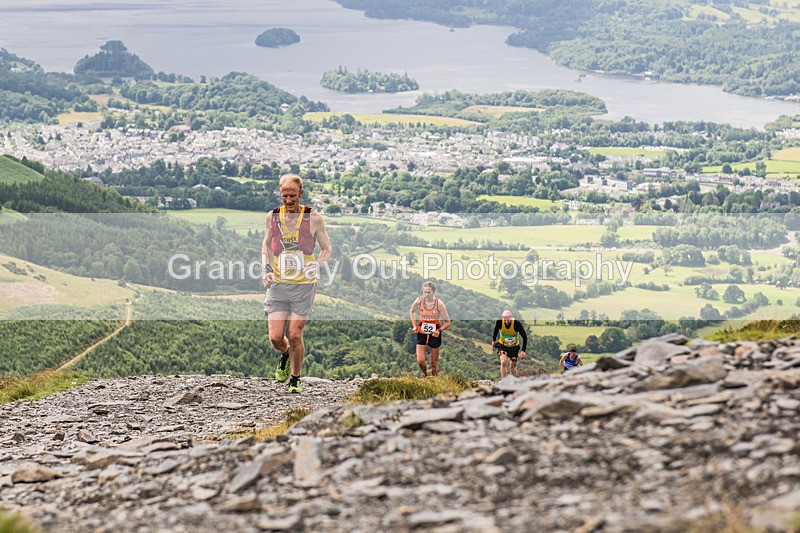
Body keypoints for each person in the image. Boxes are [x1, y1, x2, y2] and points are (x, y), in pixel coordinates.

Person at [262, 174, 332, 393]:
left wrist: (318, 265)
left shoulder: (314, 218)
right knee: (275, 337)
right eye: (285, 196)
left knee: (294, 335)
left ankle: (295, 378)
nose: (289, 200)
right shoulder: (272, 217)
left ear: (301, 194)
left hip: (304, 285)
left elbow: (327, 250)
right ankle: (285, 354)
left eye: (293, 195)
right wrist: (266, 270)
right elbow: (265, 246)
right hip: (278, 284)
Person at [409, 281, 451, 377]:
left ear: (434, 292)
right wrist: (414, 325)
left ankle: (436, 382)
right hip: (421, 333)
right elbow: (411, 311)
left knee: (433, 364)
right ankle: (426, 375)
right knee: (420, 361)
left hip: (434, 334)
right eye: (425, 292)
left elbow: (448, 322)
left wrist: (439, 330)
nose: (426, 295)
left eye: (429, 292)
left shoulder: (439, 304)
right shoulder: (419, 301)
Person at [491, 310, 527, 378]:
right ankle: (504, 382)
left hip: (514, 346)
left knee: (513, 366)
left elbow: (524, 337)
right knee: (503, 362)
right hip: (502, 345)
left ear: (511, 317)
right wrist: (493, 340)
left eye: (508, 320)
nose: (506, 322)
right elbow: (495, 331)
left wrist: (523, 350)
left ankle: (512, 383)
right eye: (505, 320)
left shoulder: (516, 324)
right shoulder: (499, 322)